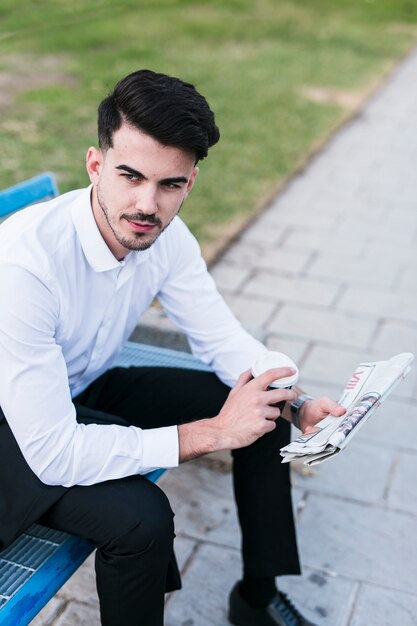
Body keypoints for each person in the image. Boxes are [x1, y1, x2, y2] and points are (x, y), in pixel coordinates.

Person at [0, 69, 345, 626]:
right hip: (13, 425)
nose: (147, 203)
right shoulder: (25, 265)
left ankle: (255, 599)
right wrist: (209, 434)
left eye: (170, 185)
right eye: (129, 176)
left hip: (81, 385)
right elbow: (54, 452)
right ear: (95, 165)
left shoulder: (168, 239)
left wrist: (296, 399)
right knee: (142, 518)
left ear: (191, 182)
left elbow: (220, 337)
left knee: (262, 406)